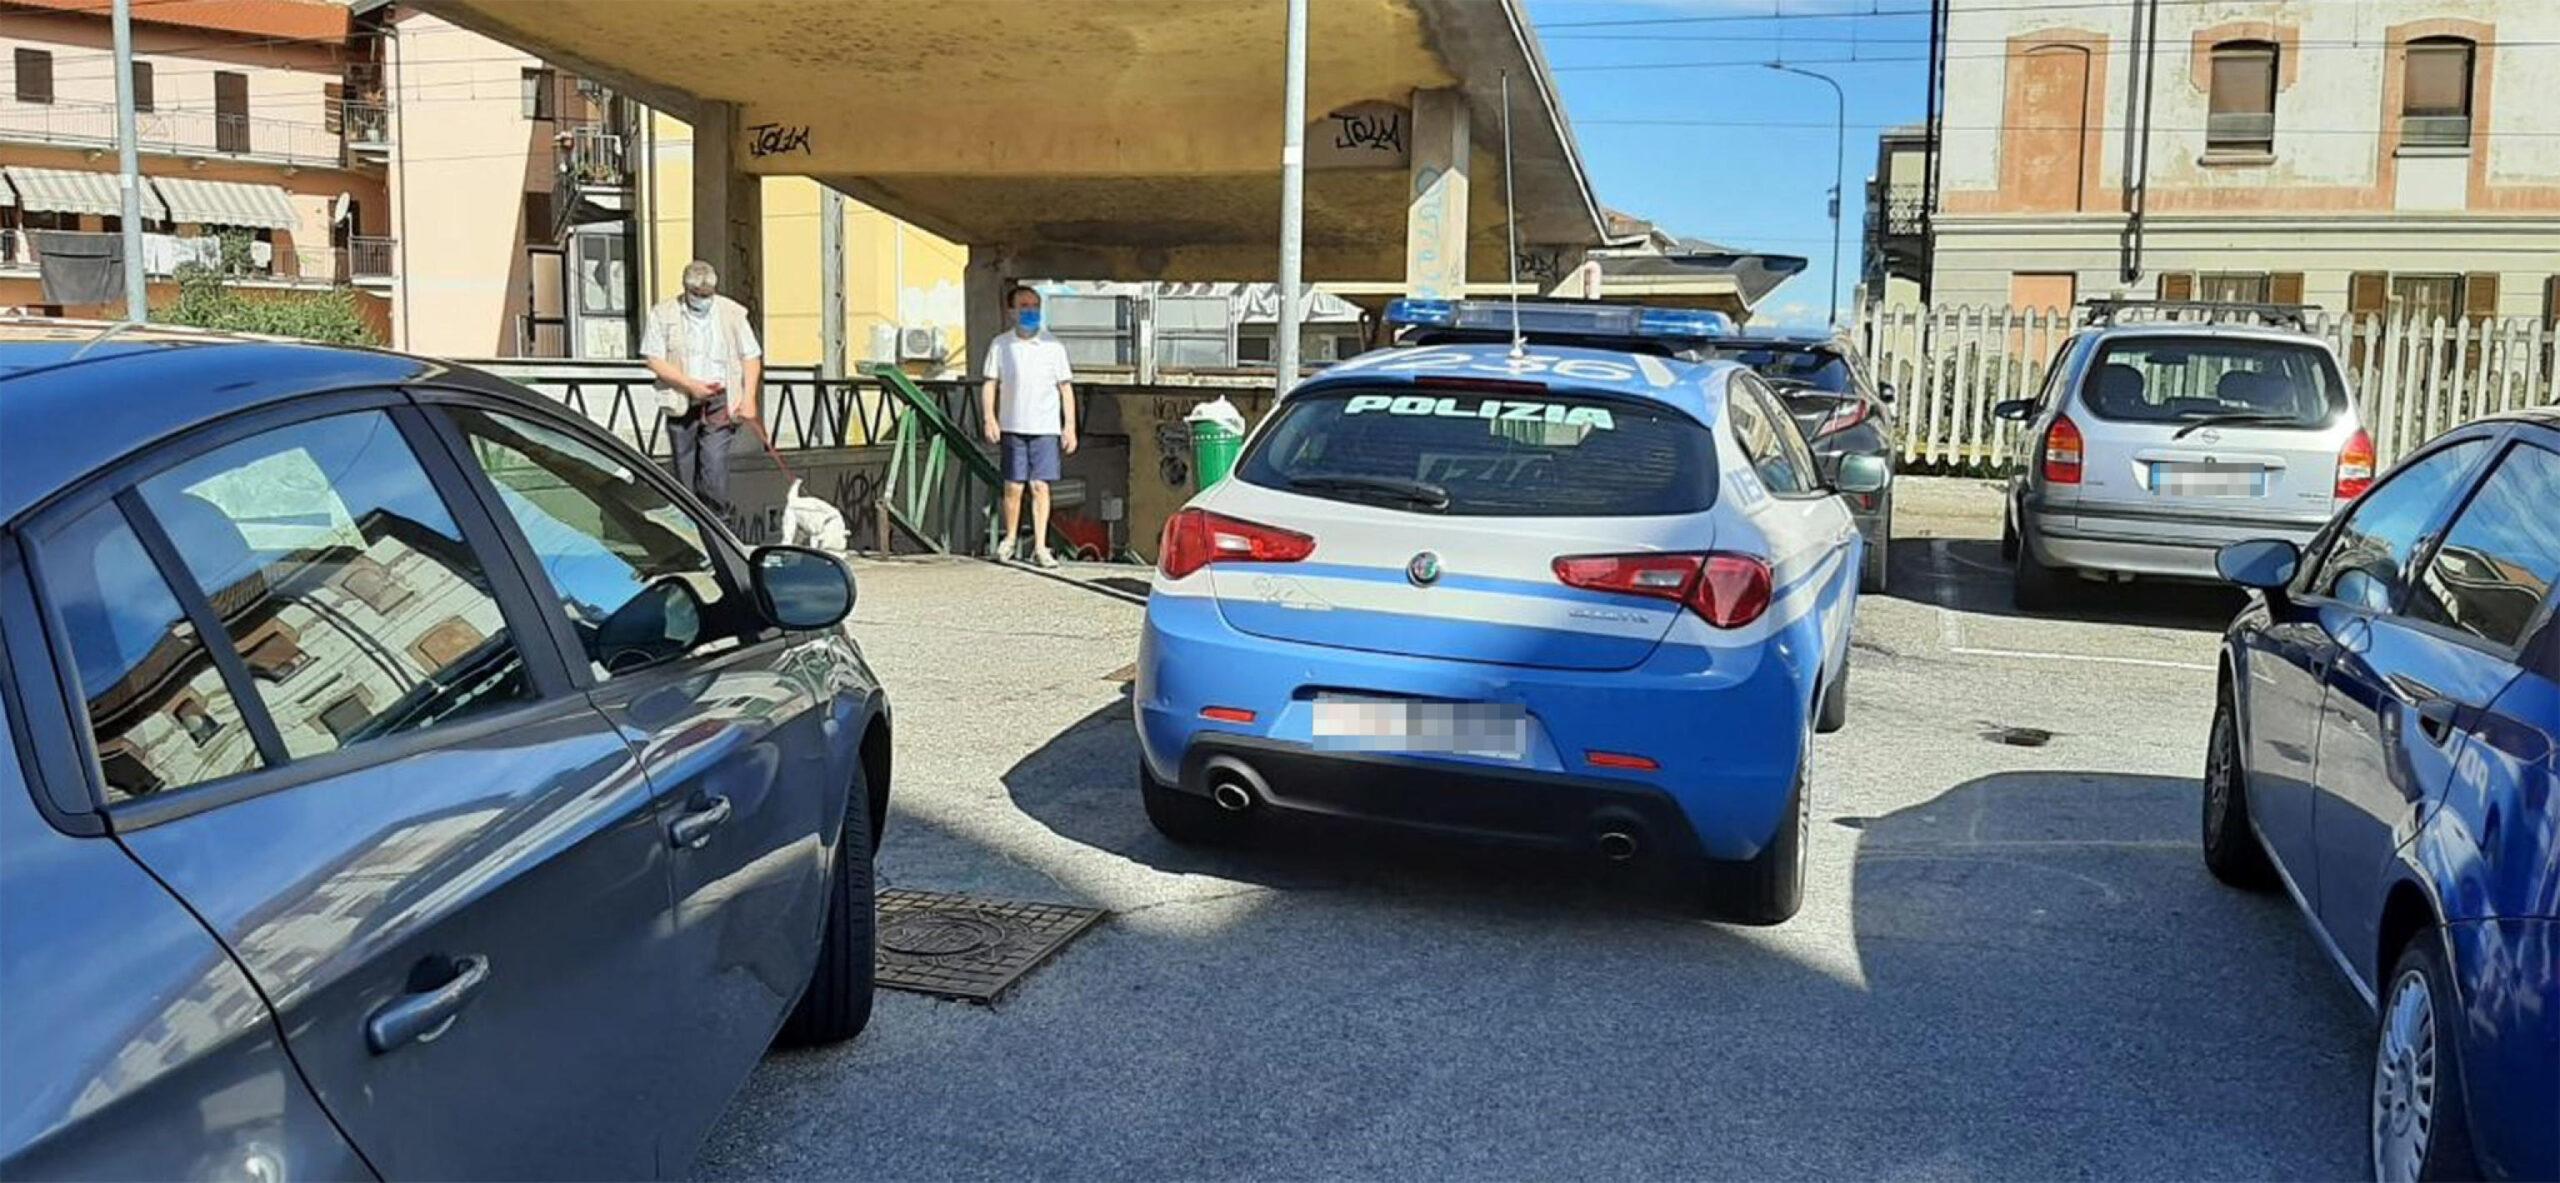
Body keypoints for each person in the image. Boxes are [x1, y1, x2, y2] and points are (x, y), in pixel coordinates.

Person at [640, 260, 762, 521]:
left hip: (720, 397)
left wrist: (749, 398)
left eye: (708, 295)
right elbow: (654, 359)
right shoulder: (663, 314)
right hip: (681, 398)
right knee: (684, 468)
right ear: (686, 290)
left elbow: (751, 356)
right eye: (697, 295)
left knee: (714, 465)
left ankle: (719, 522)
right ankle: (689, 524)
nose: (703, 300)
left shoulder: (732, 313)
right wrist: (690, 385)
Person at [979, 284, 1078, 567]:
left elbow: (1065, 389)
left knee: (1040, 486)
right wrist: (990, 417)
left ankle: (1041, 546)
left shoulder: (1053, 346)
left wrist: (1069, 426)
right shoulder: (1001, 345)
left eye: (1035, 306)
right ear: (1011, 311)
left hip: (1045, 427)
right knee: (1013, 486)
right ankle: (1009, 539)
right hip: (1013, 425)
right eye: (1024, 306)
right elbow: (990, 383)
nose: (1030, 311)